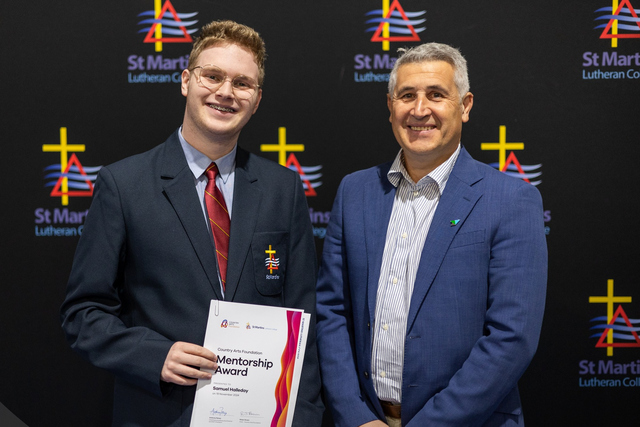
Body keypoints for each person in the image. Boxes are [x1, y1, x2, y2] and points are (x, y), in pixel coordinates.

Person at [61, 20, 322, 426]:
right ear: (186, 81)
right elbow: (84, 312)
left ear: (256, 100)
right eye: (212, 76)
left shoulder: (282, 189)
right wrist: (155, 356)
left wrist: (303, 416)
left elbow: (304, 318)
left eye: (242, 83)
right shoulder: (124, 184)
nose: (226, 92)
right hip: (162, 414)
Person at [315, 42, 547, 427]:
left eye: (436, 95)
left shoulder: (511, 201)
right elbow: (331, 312)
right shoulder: (355, 192)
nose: (420, 110)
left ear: (465, 106)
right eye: (407, 95)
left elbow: (511, 337)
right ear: (390, 106)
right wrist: (355, 416)